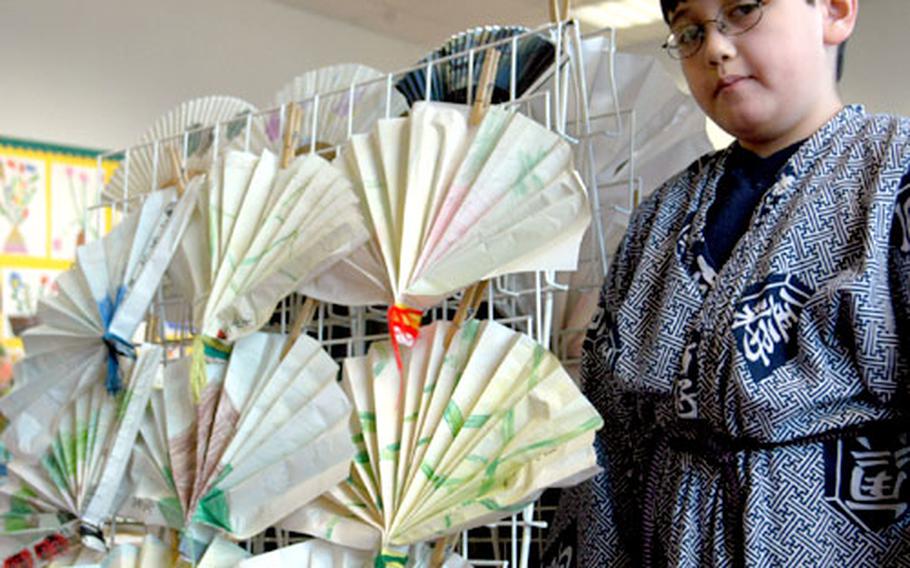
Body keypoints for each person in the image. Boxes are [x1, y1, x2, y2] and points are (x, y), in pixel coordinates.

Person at [544, 0, 910, 565]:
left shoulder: (894, 179)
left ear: (835, 12)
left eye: (743, 9)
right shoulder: (656, 221)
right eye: (689, 30)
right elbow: (604, 440)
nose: (715, 46)